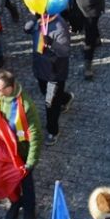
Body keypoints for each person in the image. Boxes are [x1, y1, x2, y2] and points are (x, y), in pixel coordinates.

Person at [0, 69, 41, 219]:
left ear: (9, 88)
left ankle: (29, 211)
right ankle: (15, 202)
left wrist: (30, 163)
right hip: (1, 151)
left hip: (21, 153)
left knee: (26, 184)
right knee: (6, 181)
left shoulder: (26, 105)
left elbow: (35, 135)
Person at [31, 9, 72, 143]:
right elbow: (29, 31)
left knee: (50, 102)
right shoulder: (38, 22)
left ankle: (52, 130)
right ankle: (65, 98)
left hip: (54, 73)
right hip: (40, 68)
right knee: (47, 93)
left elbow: (65, 51)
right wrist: (31, 24)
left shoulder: (60, 26)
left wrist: (51, 43)